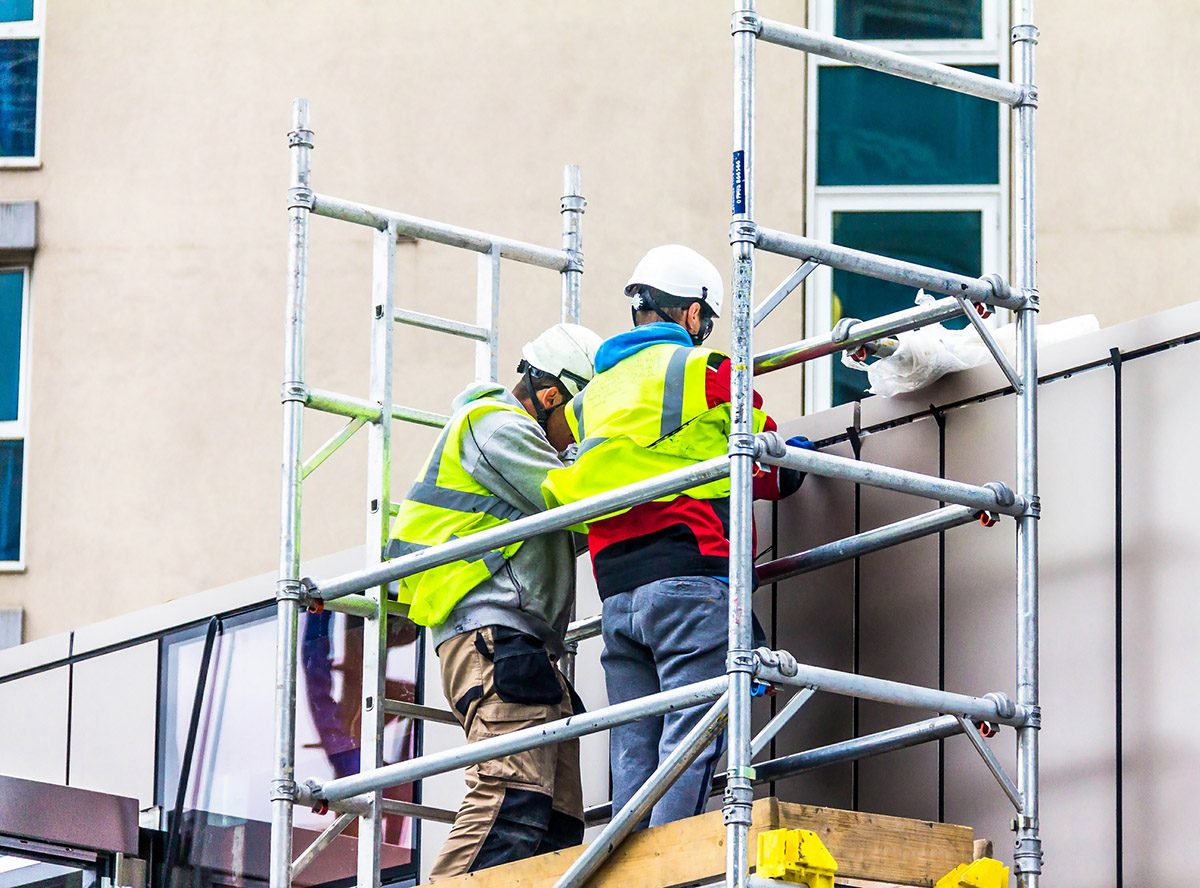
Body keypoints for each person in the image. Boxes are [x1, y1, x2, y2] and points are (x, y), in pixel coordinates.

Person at [543, 245, 810, 830]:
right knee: (692, 734)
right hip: (688, 577)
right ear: (692, 315)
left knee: (634, 746)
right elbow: (765, 464)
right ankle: (667, 866)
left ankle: (630, 855)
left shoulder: (591, 398)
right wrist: (797, 458)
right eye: (706, 321)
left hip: (615, 591)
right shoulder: (704, 371)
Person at [386, 322, 603, 879]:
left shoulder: (512, 438)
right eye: (576, 418)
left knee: (555, 823)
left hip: (517, 643)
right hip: (491, 636)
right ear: (552, 396)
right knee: (511, 799)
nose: (574, 433)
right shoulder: (496, 425)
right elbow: (577, 499)